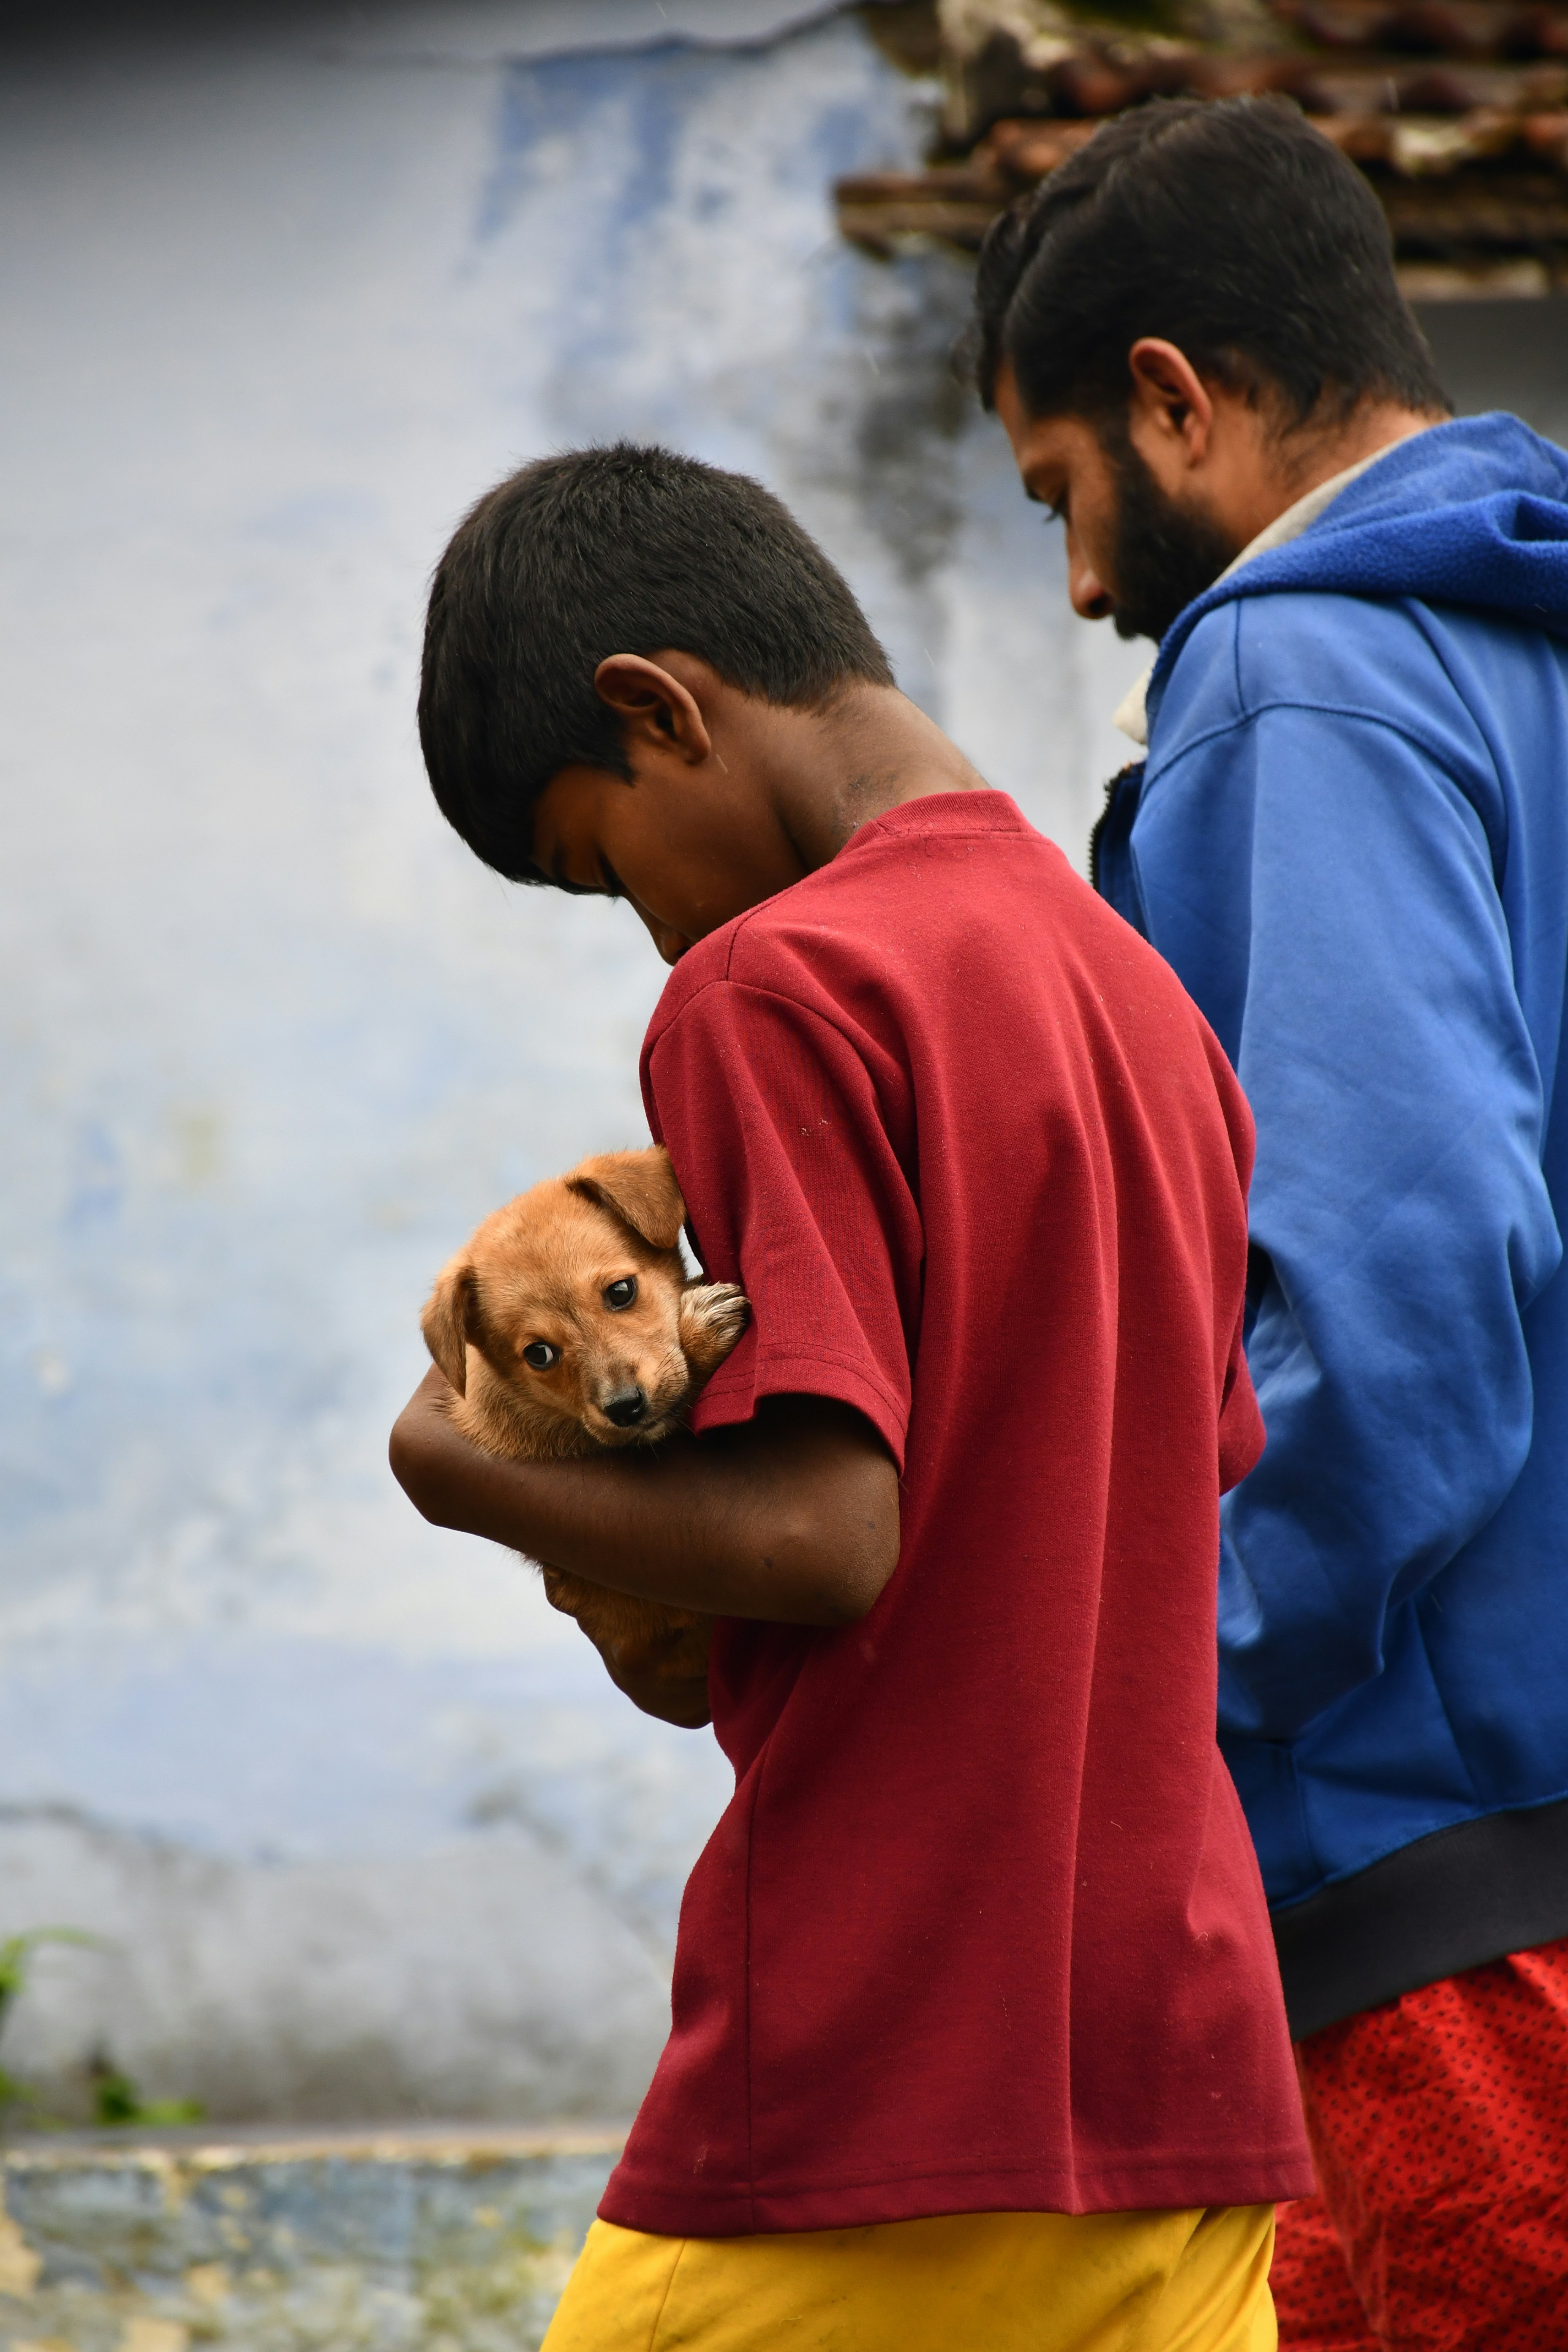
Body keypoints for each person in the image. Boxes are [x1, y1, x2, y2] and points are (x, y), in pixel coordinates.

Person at [391, 442, 1311, 2350]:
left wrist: (460, 1473)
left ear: (658, 707)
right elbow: (1191, 1467)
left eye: (601, 861)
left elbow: (826, 1536)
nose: (644, 926)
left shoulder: (769, 988)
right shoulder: (1141, 1003)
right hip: (1184, 2058)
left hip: (891, 2060)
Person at [974, 92, 1568, 2352]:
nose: (1085, 585)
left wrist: (1142, 1704)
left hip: (1439, 1896)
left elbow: (1401, 1297)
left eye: (1060, 498)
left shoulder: (1299, 667)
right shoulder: (1528, 634)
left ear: (1172, 400)